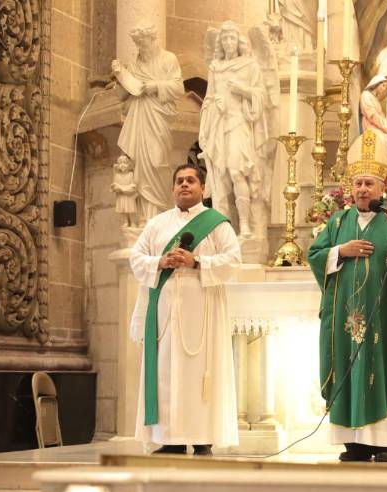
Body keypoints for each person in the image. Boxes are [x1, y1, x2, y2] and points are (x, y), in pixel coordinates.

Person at [308, 130, 387, 463]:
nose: (363, 189)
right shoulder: (338, 222)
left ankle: (385, 442)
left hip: (385, 316)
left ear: (381, 188)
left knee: (383, 367)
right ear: (351, 187)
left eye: (369, 184)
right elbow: (315, 256)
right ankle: (354, 444)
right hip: (346, 320)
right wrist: (340, 251)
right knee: (350, 368)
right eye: (358, 183)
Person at [129, 164, 241, 455]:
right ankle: (171, 439)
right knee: (165, 372)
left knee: (201, 371)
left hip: (202, 307)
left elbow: (233, 260)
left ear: (203, 188)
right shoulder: (157, 224)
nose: (184, 185)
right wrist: (161, 262)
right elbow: (136, 258)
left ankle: (202, 438)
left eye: (191, 180)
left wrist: (197, 262)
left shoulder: (217, 224)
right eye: (179, 181)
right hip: (164, 309)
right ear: (172, 189)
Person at [199, 21, 274, 244]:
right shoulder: (215, 67)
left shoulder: (250, 65)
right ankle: (222, 231)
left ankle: (246, 226)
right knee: (220, 178)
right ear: (220, 43)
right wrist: (214, 104)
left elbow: (262, 96)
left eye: (232, 38)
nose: (228, 42)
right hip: (219, 125)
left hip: (240, 123)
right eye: (224, 39)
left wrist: (243, 90)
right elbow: (208, 98)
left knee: (237, 172)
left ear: (238, 41)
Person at [112, 22, 184, 225]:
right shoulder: (134, 64)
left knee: (157, 162)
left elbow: (178, 88)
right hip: (138, 117)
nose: (140, 47)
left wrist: (154, 86)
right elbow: (123, 95)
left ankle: (159, 215)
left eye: (143, 42)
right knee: (139, 166)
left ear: (152, 39)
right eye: (137, 43)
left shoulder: (168, 59)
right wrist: (119, 76)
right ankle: (144, 217)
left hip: (158, 117)